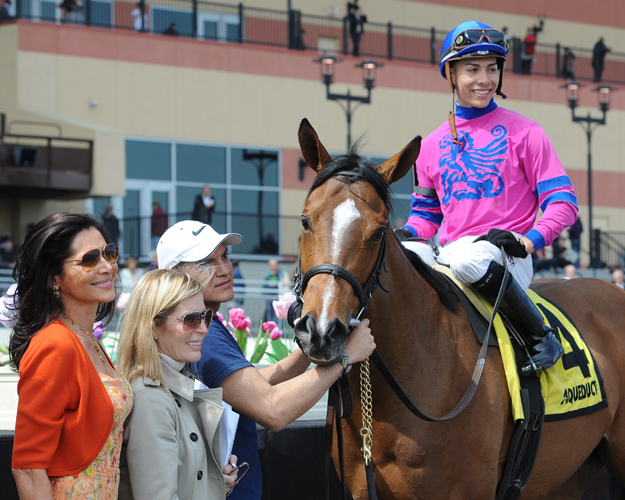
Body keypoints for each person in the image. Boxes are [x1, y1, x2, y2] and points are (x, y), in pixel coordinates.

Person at [396, 20, 578, 376]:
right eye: (472, 69)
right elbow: (427, 216)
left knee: (472, 261)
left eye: (493, 69)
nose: (485, 79)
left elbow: (563, 202)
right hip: (450, 253)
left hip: (505, 256)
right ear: (450, 74)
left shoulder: (527, 132)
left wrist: (528, 241)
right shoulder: (430, 146)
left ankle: (541, 336)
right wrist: (405, 234)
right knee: (401, 257)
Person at [157, 220, 376, 500]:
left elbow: (249, 386)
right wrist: (345, 358)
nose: (224, 269)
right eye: (206, 263)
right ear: (174, 276)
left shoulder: (206, 325)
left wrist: (308, 351)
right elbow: (272, 410)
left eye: (224, 256)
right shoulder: (202, 336)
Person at [10, 212, 132, 499]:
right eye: (90, 259)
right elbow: (27, 467)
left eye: (109, 253)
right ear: (55, 278)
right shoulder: (55, 344)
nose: (106, 267)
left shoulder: (87, 338)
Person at [117, 269, 238, 499]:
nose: (203, 328)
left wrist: (213, 479)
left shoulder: (175, 384)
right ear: (153, 325)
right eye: (191, 319)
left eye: (206, 317)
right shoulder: (150, 398)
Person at [262, 259, 289, 323]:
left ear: (278, 265)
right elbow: (264, 286)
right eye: (272, 265)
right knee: (270, 314)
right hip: (269, 298)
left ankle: (279, 331)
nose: (273, 267)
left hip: (279, 298)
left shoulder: (283, 274)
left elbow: (286, 286)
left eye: (274, 265)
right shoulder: (268, 275)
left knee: (279, 316)